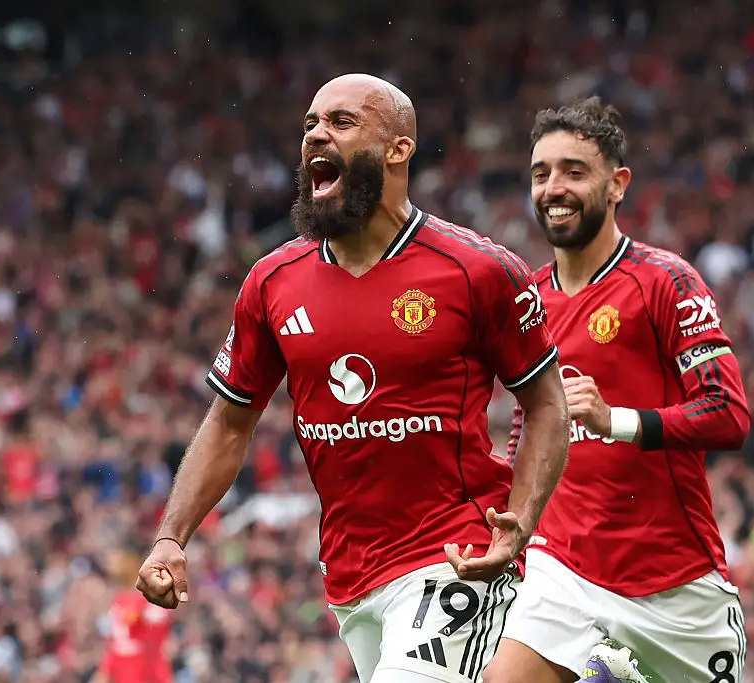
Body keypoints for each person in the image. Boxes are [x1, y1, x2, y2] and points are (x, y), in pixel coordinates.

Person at [134, 73, 570, 683]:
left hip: (453, 552)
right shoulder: (272, 282)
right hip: (349, 575)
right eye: (310, 124)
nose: (317, 134)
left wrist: (520, 519)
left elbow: (548, 405)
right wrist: (171, 537)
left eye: (341, 123)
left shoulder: (477, 270)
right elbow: (231, 421)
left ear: (398, 149)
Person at [483, 98, 752, 683]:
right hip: (563, 576)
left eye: (574, 172)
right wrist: (511, 521)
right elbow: (525, 431)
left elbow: (727, 414)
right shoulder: (524, 301)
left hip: (675, 590)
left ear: (616, 184)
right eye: (541, 173)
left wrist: (616, 421)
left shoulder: (666, 282)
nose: (554, 187)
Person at [93, 550, 174, 683]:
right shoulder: (119, 600)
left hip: (143, 665)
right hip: (123, 663)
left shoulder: (148, 601)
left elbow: (160, 640)